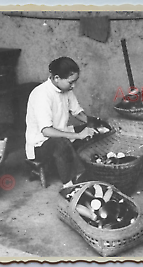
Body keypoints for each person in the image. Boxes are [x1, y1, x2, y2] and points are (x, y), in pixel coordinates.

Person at [25, 56, 99, 188]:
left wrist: (94, 124)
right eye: (71, 82)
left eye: (75, 82)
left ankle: (84, 171)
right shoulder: (41, 94)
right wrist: (78, 135)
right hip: (40, 146)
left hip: (61, 136)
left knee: (93, 132)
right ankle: (70, 185)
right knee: (61, 141)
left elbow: (77, 112)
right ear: (57, 78)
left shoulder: (66, 90)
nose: (74, 86)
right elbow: (46, 130)